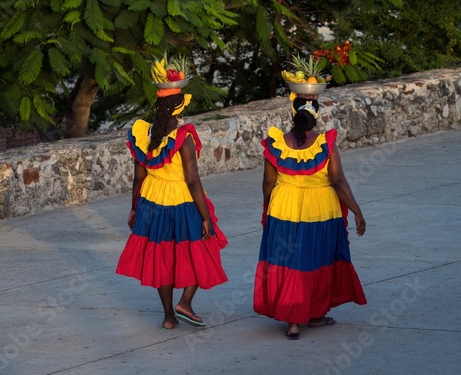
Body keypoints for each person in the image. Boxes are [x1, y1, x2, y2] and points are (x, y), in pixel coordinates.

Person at [253, 93, 367, 340]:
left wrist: (267, 204)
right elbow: (337, 180)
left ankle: (294, 321)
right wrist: (356, 209)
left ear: (293, 115)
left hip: (284, 206)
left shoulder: (276, 143)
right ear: (316, 116)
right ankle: (312, 315)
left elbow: (268, 181)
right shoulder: (325, 142)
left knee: (289, 260)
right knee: (317, 260)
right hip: (319, 208)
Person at [116, 88, 228, 330]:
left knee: (161, 257)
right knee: (203, 249)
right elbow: (192, 179)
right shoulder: (183, 137)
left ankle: (168, 317)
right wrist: (206, 217)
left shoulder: (144, 136)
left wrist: (134, 208)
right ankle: (185, 302)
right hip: (182, 201)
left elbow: (138, 178)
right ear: (179, 110)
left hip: (151, 201)